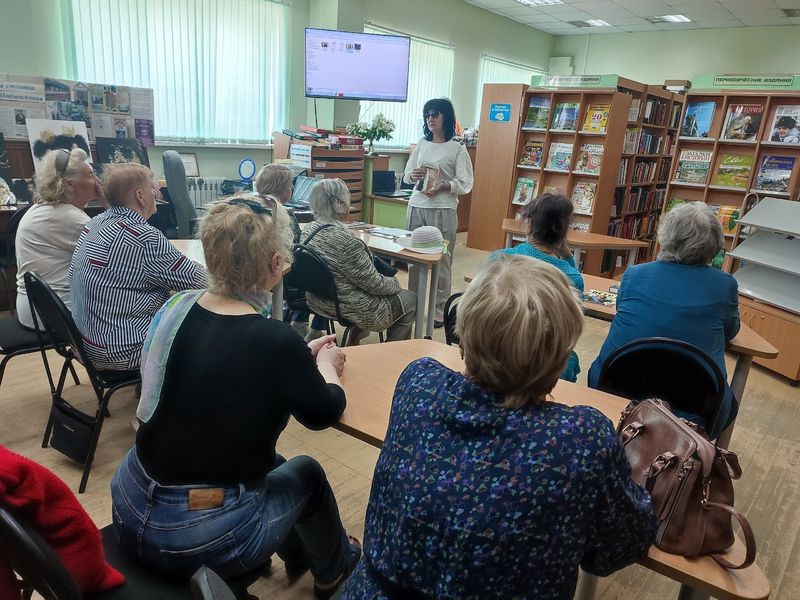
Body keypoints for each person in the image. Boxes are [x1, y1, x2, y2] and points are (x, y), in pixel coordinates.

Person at [339, 255, 657, 599]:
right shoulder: (581, 438)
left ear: (462, 339)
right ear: (562, 359)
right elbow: (619, 547)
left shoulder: (419, 382)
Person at [110, 198, 361, 598]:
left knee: (277, 465)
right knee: (307, 473)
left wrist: (298, 364)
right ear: (276, 263)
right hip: (191, 532)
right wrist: (326, 365)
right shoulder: (275, 341)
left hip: (130, 498)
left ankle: (298, 557)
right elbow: (323, 412)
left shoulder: (175, 307)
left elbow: (223, 379)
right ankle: (334, 572)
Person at [588, 202, 740, 437]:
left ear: (665, 236)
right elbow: (731, 331)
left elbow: (623, 311)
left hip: (617, 386)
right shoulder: (725, 285)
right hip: (694, 403)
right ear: (715, 245)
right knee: (729, 400)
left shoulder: (635, 275)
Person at [70, 162, 208, 371]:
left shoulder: (95, 223)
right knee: (205, 318)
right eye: (153, 189)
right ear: (140, 196)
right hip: (122, 349)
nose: (157, 194)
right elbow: (202, 282)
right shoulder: (143, 237)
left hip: (85, 342)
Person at [301, 178, 416, 344]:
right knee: (411, 298)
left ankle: (354, 338)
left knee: (358, 284)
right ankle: (391, 351)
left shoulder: (309, 230)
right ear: (339, 204)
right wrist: (395, 283)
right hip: (350, 306)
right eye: (348, 198)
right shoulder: (347, 243)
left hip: (318, 301)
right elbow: (375, 284)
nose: (350, 203)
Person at [403, 97, 473, 327]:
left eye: (435, 114)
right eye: (427, 115)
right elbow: (406, 175)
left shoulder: (457, 148)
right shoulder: (422, 144)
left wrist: (446, 185)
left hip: (442, 210)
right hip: (417, 206)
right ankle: (412, 305)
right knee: (413, 259)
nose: (430, 119)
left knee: (442, 260)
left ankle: (439, 310)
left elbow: (465, 182)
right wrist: (412, 176)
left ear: (446, 117)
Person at [501, 193, 582, 382]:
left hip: (501, 355)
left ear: (529, 223)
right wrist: (569, 257)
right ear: (564, 232)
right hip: (546, 369)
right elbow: (568, 330)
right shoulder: (571, 276)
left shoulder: (501, 258)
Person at [15, 148, 98, 329]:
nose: (98, 181)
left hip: (34, 307)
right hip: (54, 313)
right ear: (69, 184)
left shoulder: (44, 208)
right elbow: (121, 258)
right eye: (91, 175)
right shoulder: (71, 218)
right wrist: (112, 203)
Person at [255, 162, 328, 338]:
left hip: (266, 272)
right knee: (328, 273)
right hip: (285, 276)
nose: (293, 188)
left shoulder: (252, 208)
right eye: (290, 185)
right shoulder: (284, 216)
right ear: (281, 190)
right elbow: (295, 249)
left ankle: (299, 321)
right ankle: (313, 328)